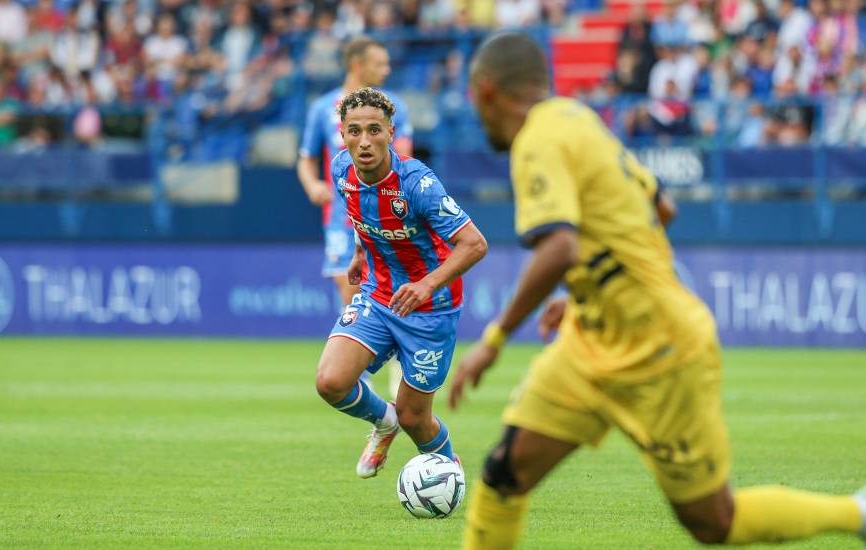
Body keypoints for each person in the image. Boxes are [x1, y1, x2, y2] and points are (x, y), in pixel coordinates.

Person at [449, 32, 866, 549]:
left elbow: (558, 248)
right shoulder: (579, 120)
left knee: (715, 522)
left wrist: (493, 340)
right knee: (503, 476)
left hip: (661, 350)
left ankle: (856, 513)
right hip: (590, 342)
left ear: (486, 90)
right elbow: (660, 208)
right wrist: (594, 286)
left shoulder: (538, 137)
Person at [316, 87, 487, 479]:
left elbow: (474, 244)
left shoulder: (418, 184)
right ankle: (383, 421)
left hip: (431, 307)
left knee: (415, 418)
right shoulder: (342, 168)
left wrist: (427, 284)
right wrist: (361, 252)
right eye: (354, 131)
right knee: (331, 382)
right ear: (341, 135)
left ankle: (447, 473)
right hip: (378, 294)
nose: (364, 141)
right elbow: (362, 215)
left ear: (391, 132)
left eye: (374, 130)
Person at [298, 36, 413, 397]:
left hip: (383, 217)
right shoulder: (322, 108)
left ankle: (398, 371)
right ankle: (362, 380)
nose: (387, 69)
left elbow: (404, 158)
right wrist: (312, 184)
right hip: (338, 219)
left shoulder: (394, 108)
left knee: (388, 293)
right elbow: (305, 157)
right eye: (380, 63)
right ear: (357, 66)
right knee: (349, 295)